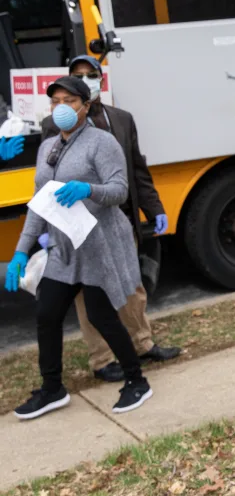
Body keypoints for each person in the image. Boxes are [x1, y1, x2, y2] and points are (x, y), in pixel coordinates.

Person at [5, 76, 153, 419]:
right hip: (64, 249)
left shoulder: (102, 143)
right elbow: (39, 204)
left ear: (86, 105)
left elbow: (119, 190)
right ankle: (52, 388)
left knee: (102, 315)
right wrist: (20, 253)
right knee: (47, 314)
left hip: (99, 244)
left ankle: (136, 380)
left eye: (69, 100)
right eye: (55, 100)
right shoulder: (47, 147)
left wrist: (88, 190)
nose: (61, 107)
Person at [40, 55, 180, 382]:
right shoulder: (53, 127)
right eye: (78, 75)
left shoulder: (122, 119)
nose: (86, 79)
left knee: (131, 286)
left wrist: (154, 208)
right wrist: (46, 230)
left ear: (100, 81)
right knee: (87, 296)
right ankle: (102, 360)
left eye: (91, 74)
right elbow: (46, 182)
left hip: (118, 222)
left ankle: (142, 343)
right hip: (78, 227)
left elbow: (137, 170)